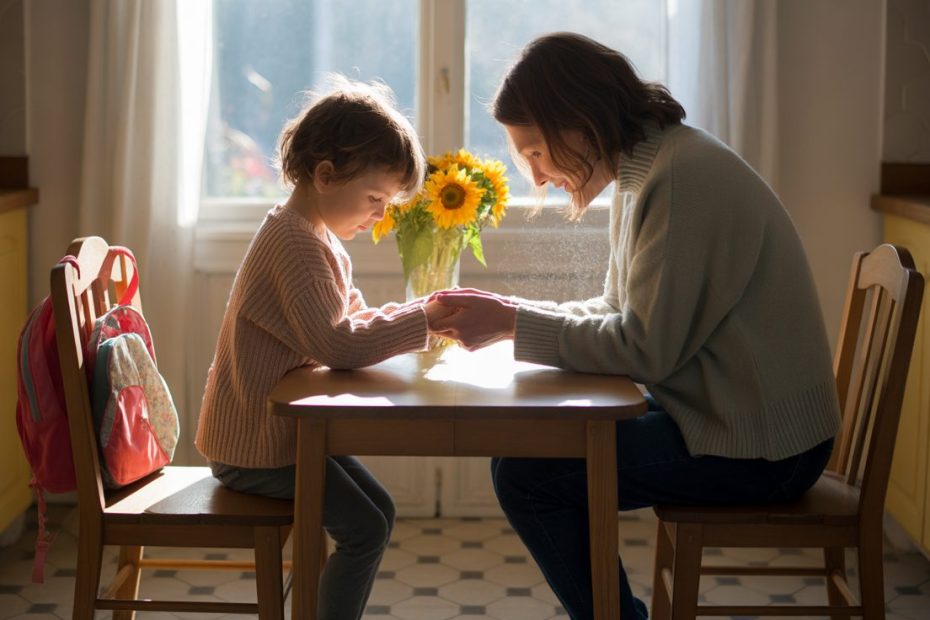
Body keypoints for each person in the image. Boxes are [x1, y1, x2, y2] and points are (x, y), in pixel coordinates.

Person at [429, 33, 841, 620]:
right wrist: (505, 315)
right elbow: (617, 309)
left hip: (764, 446)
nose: (538, 177)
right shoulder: (650, 168)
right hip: (725, 414)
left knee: (527, 476)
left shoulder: (679, 178)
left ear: (578, 123)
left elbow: (644, 350)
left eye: (536, 152)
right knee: (524, 454)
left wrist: (513, 322)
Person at [195, 77, 453, 620]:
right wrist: (422, 322)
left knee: (376, 513)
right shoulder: (294, 242)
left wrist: (422, 316)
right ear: (326, 175)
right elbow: (336, 343)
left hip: (278, 437)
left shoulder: (315, 237)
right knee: (364, 529)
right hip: (254, 448)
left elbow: (351, 318)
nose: (381, 213)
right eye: (376, 198)